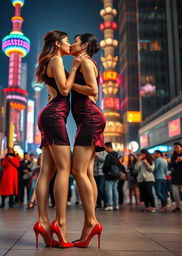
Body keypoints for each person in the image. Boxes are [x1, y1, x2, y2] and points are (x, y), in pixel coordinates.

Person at [34, 30, 84, 248]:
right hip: (54, 116)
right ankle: (58, 225)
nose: (69, 45)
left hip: (50, 114)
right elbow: (64, 89)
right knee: (64, 169)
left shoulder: (50, 62)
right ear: (57, 43)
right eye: (66, 41)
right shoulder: (55, 60)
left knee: (48, 170)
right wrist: (74, 68)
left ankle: (43, 222)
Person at [70, 33, 105, 248]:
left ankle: (92, 222)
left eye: (75, 41)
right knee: (88, 173)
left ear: (83, 45)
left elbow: (93, 90)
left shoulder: (85, 62)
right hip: (88, 119)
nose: (72, 44)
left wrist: (70, 82)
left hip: (90, 119)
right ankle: (87, 228)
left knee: (78, 171)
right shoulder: (86, 62)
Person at [102, 142, 122, 211]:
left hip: (110, 175)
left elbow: (106, 166)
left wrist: (104, 171)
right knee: (115, 190)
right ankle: (116, 205)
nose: (105, 149)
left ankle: (110, 205)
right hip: (116, 174)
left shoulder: (109, 155)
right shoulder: (117, 155)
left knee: (109, 190)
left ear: (108, 147)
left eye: (105, 148)